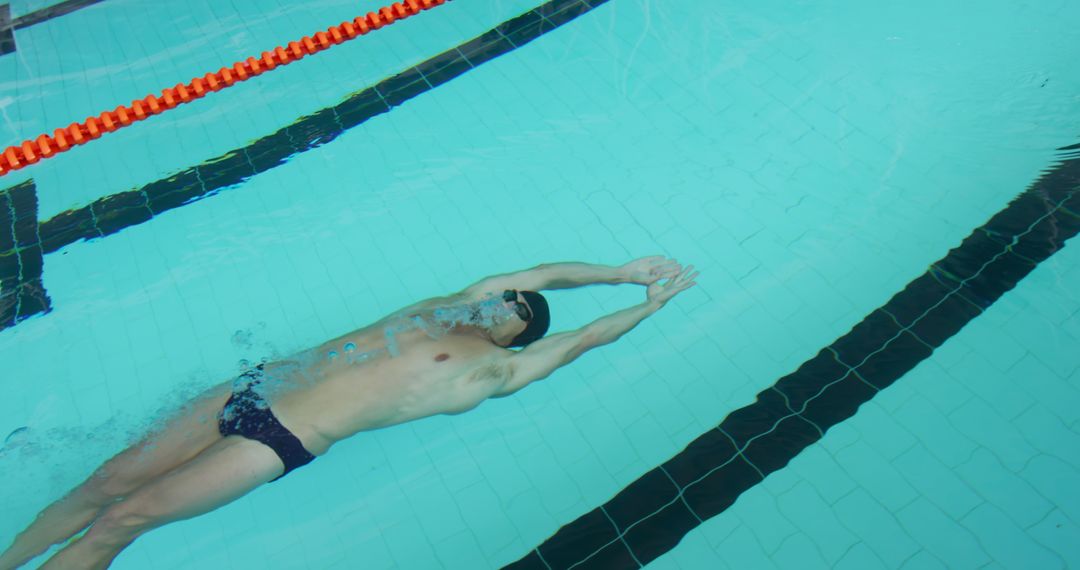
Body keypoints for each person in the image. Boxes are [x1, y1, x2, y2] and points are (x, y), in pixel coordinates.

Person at [0, 256, 698, 570]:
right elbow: (547, 274)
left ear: (515, 338)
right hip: (251, 388)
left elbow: (581, 341)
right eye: (510, 295)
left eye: (515, 313)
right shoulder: (446, 305)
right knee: (102, 486)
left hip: (276, 440)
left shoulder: (493, 367)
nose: (507, 303)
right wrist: (620, 271)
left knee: (126, 519)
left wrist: (645, 307)